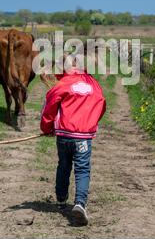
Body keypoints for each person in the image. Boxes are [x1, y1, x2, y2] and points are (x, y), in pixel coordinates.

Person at [40, 64, 106, 226]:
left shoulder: (63, 84)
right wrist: (91, 122)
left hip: (64, 134)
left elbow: (50, 106)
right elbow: (102, 105)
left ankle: (61, 199)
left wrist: (47, 127)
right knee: (82, 168)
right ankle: (79, 203)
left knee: (64, 165)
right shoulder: (94, 85)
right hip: (83, 136)